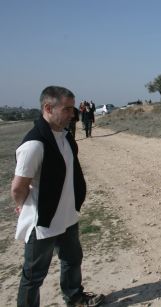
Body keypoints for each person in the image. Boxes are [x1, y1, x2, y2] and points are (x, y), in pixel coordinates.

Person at [11, 86, 104, 306]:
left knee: (72, 260)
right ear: (48, 108)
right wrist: (21, 205)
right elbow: (18, 187)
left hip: (68, 215)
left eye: (73, 109)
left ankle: (74, 297)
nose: (73, 114)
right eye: (67, 109)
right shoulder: (34, 144)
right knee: (33, 275)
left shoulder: (65, 136)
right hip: (43, 221)